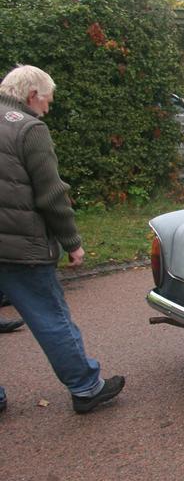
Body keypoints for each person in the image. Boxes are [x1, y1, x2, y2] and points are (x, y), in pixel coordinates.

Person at [0, 65, 124, 414]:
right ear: (31, 95)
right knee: (49, 315)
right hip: (19, 247)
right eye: (47, 101)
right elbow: (51, 195)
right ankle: (86, 387)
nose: (48, 109)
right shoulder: (29, 128)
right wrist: (72, 242)